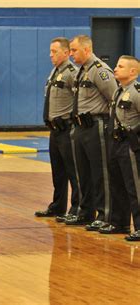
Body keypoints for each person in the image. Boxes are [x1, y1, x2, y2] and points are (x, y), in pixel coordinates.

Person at [65, 35, 118, 231]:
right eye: (70, 50)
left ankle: (104, 214)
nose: (71, 54)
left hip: (96, 125)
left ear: (87, 50)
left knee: (100, 172)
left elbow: (114, 97)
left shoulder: (100, 71)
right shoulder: (81, 71)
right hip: (80, 127)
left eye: (74, 50)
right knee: (83, 172)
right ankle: (85, 212)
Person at [34, 37, 80, 221]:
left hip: (67, 128)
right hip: (55, 129)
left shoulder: (72, 73)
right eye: (50, 51)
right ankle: (58, 205)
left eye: (54, 52)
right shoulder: (54, 71)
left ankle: (77, 208)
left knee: (73, 171)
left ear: (66, 52)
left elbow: (79, 100)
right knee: (58, 171)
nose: (50, 55)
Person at [98, 55, 140, 241]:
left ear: (133, 71)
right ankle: (119, 222)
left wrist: (133, 133)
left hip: (129, 144)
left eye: (120, 66)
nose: (115, 69)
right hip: (115, 143)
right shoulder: (118, 91)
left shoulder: (137, 92)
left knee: (134, 187)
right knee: (117, 184)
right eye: (116, 66)